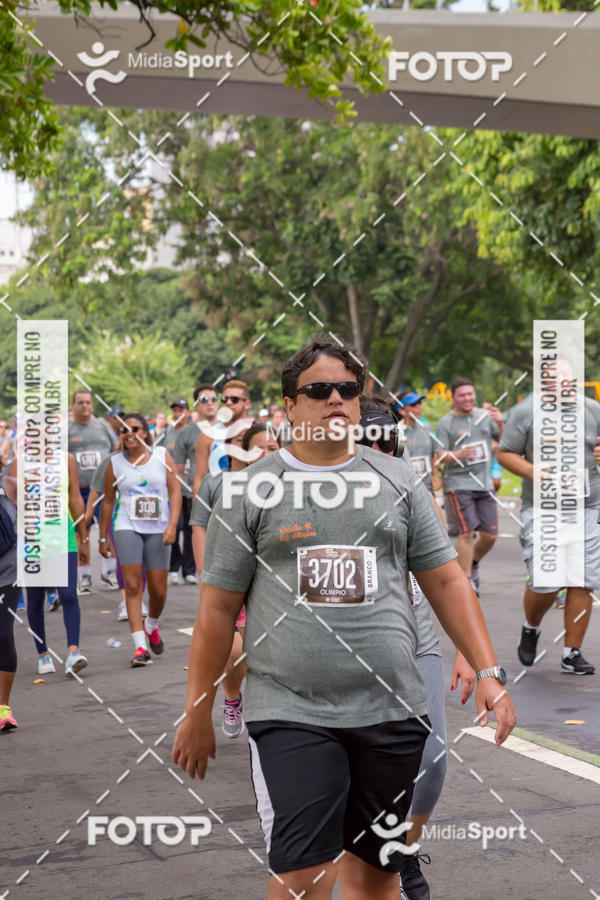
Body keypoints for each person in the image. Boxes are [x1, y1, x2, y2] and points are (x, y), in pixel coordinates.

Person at [173, 335, 515, 900]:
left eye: (347, 389)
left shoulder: (399, 481)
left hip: (391, 707)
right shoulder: (249, 491)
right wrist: (198, 711)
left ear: (360, 401)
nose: (336, 399)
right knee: (304, 874)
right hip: (291, 706)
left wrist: (486, 671)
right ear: (289, 405)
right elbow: (216, 611)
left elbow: (448, 580)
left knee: (375, 874)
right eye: (319, 390)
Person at [357, 395, 475, 899]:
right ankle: (368, 864)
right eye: (368, 437)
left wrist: (473, 654)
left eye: (386, 437)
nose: (377, 446)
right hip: (343, 645)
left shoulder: (409, 488)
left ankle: (401, 853)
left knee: (432, 762)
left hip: (416, 636)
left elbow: (446, 579)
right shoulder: (301, 490)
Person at [497, 389, 600, 675]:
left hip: (588, 507)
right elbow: (504, 453)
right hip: (544, 510)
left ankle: (572, 652)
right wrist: (533, 471)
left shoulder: (593, 410)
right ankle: (531, 627)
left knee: (583, 581)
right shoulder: (527, 411)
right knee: (547, 581)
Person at [190, 423, 281, 739]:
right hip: (231, 581)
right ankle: (233, 699)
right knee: (235, 653)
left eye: (272, 448)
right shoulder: (220, 485)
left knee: (266, 653)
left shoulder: (292, 486)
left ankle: (272, 719)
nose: (266, 455)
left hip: (272, 586)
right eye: (257, 448)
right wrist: (207, 575)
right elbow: (199, 527)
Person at [99, 413, 181, 668]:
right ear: (120, 435)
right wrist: (103, 537)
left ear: (145, 432)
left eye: (135, 428)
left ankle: (152, 626)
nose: (129, 433)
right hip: (127, 527)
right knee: (133, 587)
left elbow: (175, 490)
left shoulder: (161, 456)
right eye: (124, 430)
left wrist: (172, 525)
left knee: (158, 590)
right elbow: (109, 500)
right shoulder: (114, 463)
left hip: (158, 529)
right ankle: (140, 647)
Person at [434, 378, 504, 597]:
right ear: (454, 397)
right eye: (462, 395)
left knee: (490, 535)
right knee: (466, 533)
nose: (467, 398)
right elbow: (440, 456)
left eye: (470, 394)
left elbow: (505, 441)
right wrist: (459, 455)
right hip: (458, 485)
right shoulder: (446, 422)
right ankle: (464, 582)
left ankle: (471, 563)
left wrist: (501, 423)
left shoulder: (484, 417)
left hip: (484, 485)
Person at [23, 453, 89, 677]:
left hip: (64, 535)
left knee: (69, 594)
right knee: (35, 597)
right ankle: (43, 654)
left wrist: (84, 535)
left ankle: (73, 652)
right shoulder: (22, 461)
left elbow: (75, 497)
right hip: (33, 539)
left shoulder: (67, 458)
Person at [86, 450, 148, 622]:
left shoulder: (151, 458)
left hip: (147, 517)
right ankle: (125, 602)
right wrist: (88, 514)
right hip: (120, 518)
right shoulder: (110, 461)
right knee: (125, 559)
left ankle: (138, 600)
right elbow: (96, 491)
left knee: (142, 560)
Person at [68, 390, 118, 593]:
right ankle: (85, 576)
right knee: (82, 533)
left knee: (110, 532)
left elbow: (116, 447)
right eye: (80, 403)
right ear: (73, 405)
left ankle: (109, 573)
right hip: (79, 491)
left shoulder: (102, 425)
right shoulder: (66, 430)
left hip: (104, 489)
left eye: (88, 402)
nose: (85, 406)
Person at [171, 385, 220, 586]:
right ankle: (190, 570)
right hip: (194, 490)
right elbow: (179, 469)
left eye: (213, 399)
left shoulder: (229, 429)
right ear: (196, 405)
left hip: (225, 491)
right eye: (204, 400)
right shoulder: (186, 432)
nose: (209, 403)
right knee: (193, 530)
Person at [191, 380, 253, 498]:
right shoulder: (208, 435)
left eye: (234, 399)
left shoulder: (259, 433)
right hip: (218, 506)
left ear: (247, 404)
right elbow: (200, 478)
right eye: (224, 399)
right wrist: (197, 514)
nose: (228, 403)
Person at [161, 398, 193, 585]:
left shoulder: (196, 432)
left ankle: (189, 570)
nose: (177, 413)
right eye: (174, 410)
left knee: (191, 529)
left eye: (181, 409)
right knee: (175, 525)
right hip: (173, 488)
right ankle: (174, 566)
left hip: (193, 487)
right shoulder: (166, 433)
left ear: (188, 412)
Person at [0, 469, 20, 731]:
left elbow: (35, 522)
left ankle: (3, 707)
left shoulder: (10, 484)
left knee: (3, 635)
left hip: (7, 572)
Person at [395, 391, 440, 494]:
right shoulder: (397, 431)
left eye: (419, 403)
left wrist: (436, 476)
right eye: (413, 405)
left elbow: (433, 455)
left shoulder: (426, 426)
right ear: (402, 410)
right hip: (405, 489)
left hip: (427, 486)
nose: (418, 407)